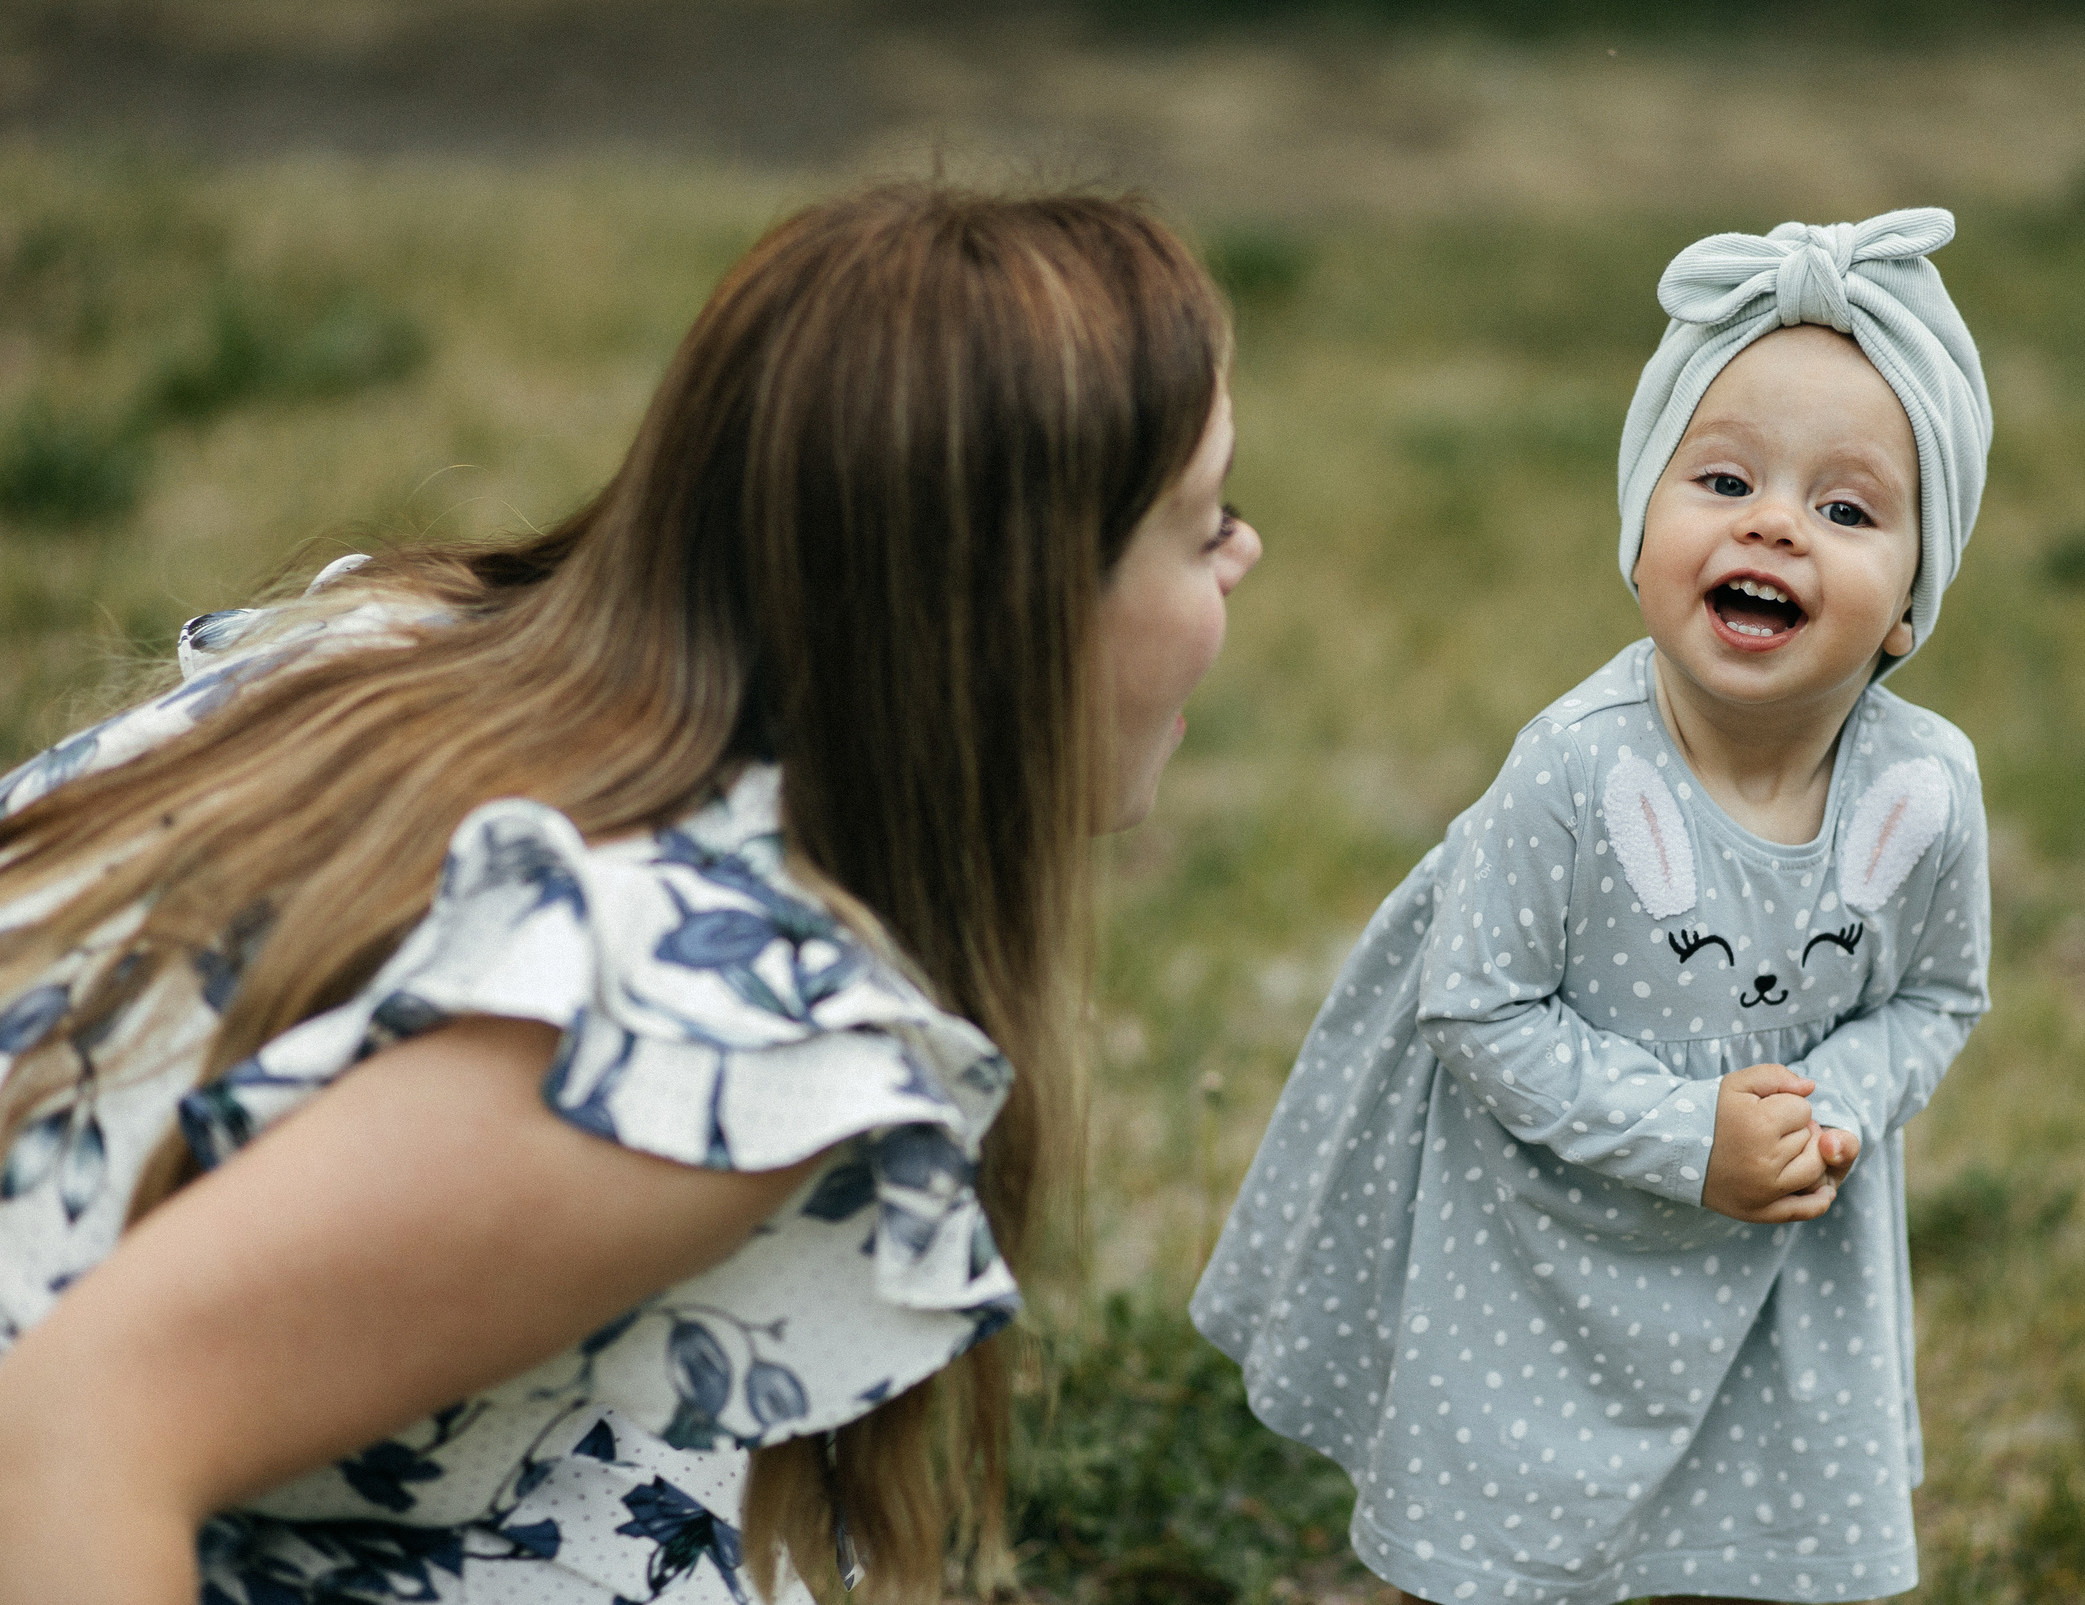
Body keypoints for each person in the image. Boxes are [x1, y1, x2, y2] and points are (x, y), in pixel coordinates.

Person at [0, 185, 1261, 1605]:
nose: (1245, 556)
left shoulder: (414, 644)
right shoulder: (714, 1022)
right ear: (1011, 608)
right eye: (1205, 522)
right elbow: (70, 1432)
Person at [1193, 209, 1991, 1604]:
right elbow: (1472, 1002)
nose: (1773, 522)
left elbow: (1938, 993)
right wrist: (1692, 1135)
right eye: (1724, 477)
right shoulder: (1573, 766)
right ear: (1639, 533)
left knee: (1740, 1550)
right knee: (1496, 1551)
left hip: (1777, 1272)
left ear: (1913, 603)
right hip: (1539, 1247)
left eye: (1848, 508)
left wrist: (1836, 1111)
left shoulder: (1922, 789)